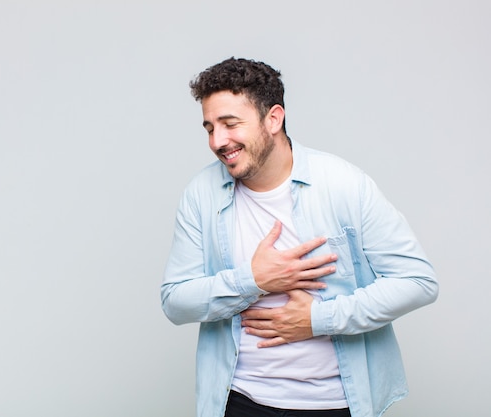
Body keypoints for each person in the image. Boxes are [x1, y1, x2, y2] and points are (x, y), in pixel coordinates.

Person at [160, 57, 439, 417]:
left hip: (334, 404)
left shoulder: (342, 184)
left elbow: (418, 281)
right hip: (239, 401)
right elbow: (175, 301)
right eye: (209, 128)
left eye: (230, 124)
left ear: (273, 119)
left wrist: (318, 319)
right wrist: (254, 280)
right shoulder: (202, 194)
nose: (217, 141)